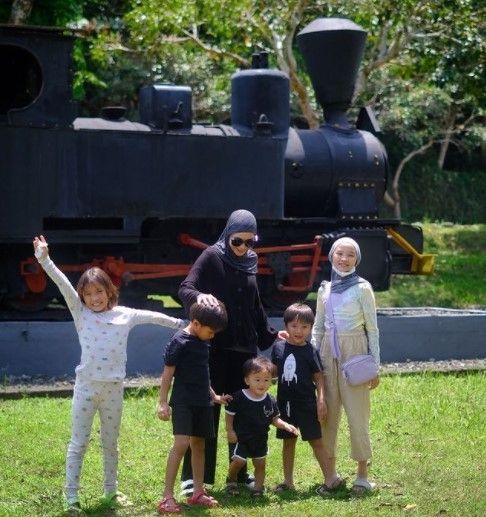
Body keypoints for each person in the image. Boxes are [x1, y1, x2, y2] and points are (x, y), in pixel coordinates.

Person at [32, 235, 185, 514]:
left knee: (110, 444)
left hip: (113, 389)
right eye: (88, 294)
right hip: (86, 388)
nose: (93, 299)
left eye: (98, 292)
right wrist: (44, 258)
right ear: (82, 297)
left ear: (109, 290)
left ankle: (111, 492)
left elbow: (153, 316)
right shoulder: (80, 313)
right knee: (79, 442)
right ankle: (71, 497)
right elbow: (63, 284)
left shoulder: (124, 315)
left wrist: (181, 324)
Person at [178, 209, 282, 495]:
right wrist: (200, 296)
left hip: (244, 352)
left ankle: (240, 473)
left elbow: (255, 304)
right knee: (206, 411)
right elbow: (185, 288)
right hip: (215, 348)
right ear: (227, 235)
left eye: (251, 242)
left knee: (245, 413)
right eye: (238, 241)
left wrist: (271, 334)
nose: (244, 248)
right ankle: (194, 478)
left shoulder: (250, 260)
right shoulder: (212, 256)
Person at [311, 237, 380, 495]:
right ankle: (331, 475)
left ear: (357, 259)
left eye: (350, 255)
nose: (344, 258)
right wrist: (314, 361)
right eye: (340, 253)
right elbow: (317, 328)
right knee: (327, 416)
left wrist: (376, 365)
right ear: (332, 256)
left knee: (357, 415)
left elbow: (372, 329)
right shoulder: (324, 289)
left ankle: (362, 476)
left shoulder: (363, 288)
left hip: (355, 352)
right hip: (328, 352)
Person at [157, 301, 230, 514]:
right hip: (184, 402)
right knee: (181, 445)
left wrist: (213, 396)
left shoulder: (202, 340)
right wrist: (162, 401)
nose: (212, 336)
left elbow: (202, 372)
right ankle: (167, 496)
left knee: (199, 445)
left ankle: (198, 492)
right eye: (211, 331)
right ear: (196, 323)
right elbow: (167, 373)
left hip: (202, 402)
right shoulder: (180, 341)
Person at [271, 302, 329, 492]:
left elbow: (319, 377)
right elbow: (272, 372)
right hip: (285, 405)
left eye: (305, 326)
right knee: (288, 442)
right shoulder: (278, 348)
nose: (299, 331)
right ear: (286, 326)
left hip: (307, 404)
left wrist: (321, 401)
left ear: (311, 328)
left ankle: (330, 479)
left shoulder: (310, 351)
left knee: (316, 441)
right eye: (294, 326)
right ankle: (288, 482)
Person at [225, 356, 298, 496]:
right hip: (241, 438)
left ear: (271, 381)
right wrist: (229, 430)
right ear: (247, 380)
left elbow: (275, 419)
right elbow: (229, 414)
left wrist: (286, 425)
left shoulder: (270, 400)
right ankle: (232, 480)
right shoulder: (240, 396)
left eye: (266, 380)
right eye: (257, 379)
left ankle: (258, 489)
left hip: (260, 439)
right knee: (238, 461)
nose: (261, 384)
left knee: (260, 465)